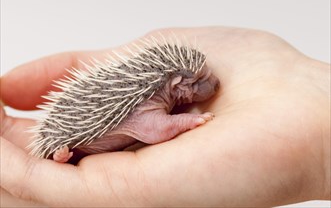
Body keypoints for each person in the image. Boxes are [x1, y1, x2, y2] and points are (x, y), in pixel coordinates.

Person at [1, 27, 330, 207]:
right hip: (70, 136)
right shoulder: (143, 106)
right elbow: (154, 129)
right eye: (198, 83)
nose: (212, 86)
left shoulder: (155, 93)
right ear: (175, 84)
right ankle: (64, 155)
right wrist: (187, 121)